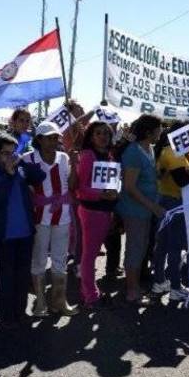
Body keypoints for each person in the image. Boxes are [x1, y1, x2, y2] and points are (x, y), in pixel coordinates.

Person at [0, 134, 45, 328]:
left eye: (13, 152)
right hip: (6, 235)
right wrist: (10, 175)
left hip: (25, 232)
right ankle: (7, 316)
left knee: (22, 275)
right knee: (6, 277)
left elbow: (40, 177)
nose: (10, 157)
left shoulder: (21, 169)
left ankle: (20, 312)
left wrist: (24, 164)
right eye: (5, 153)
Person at [23, 122, 79, 317]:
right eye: (49, 137)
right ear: (39, 139)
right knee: (38, 259)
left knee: (60, 259)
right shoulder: (27, 158)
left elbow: (71, 186)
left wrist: (75, 165)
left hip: (62, 215)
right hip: (39, 216)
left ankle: (59, 301)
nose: (54, 141)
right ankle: (40, 302)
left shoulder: (64, 158)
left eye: (56, 137)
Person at [151, 122, 189, 301]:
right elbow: (183, 180)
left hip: (165, 200)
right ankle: (175, 286)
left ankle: (159, 281)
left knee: (163, 244)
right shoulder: (175, 153)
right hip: (174, 203)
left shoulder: (167, 150)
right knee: (174, 245)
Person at [117, 114, 164, 305]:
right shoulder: (134, 152)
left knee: (141, 247)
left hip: (145, 209)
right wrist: (152, 205)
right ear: (148, 131)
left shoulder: (149, 148)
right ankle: (132, 291)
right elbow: (129, 186)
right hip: (135, 209)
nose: (161, 131)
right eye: (158, 128)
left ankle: (134, 286)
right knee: (135, 249)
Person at [75, 122, 119, 309]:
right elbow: (80, 188)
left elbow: (112, 183)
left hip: (105, 210)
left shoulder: (108, 156)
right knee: (89, 255)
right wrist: (101, 194)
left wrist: (116, 190)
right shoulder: (87, 156)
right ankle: (91, 296)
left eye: (106, 134)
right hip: (92, 210)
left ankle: (91, 292)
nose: (102, 137)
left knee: (91, 254)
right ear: (91, 136)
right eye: (98, 133)